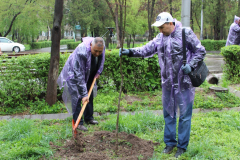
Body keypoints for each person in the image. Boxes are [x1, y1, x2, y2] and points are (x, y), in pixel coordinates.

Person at [119, 12, 206, 158]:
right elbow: (146, 49)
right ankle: (170, 143)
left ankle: (182, 146)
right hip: (167, 83)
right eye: (158, 27)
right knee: (168, 114)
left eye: (161, 27)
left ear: (170, 23)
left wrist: (191, 65)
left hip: (184, 83)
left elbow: (200, 51)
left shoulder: (185, 33)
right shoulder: (160, 38)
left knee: (184, 115)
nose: (159, 30)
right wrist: (130, 52)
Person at [58, 37, 105, 131]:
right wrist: (83, 94)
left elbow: (102, 58)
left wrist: (98, 72)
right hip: (74, 74)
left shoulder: (101, 46)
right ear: (91, 45)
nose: (97, 54)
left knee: (89, 95)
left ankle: (89, 118)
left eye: (99, 51)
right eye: (95, 51)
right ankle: (78, 122)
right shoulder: (81, 50)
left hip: (88, 72)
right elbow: (78, 74)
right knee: (77, 96)